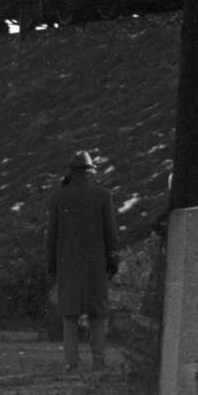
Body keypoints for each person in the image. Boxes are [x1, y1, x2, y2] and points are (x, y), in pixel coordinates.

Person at [45, 150, 119, 372]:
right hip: (96, 264)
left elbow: (52, 236)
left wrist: (52, 267)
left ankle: (71, 363)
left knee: (70, 315)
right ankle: (98, 361)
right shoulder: (103, 195)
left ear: (72, 172)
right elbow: (111, 233)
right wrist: (113, 262)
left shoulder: (58, 197)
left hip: (68, 265)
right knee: (98, 314)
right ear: (90, 172)